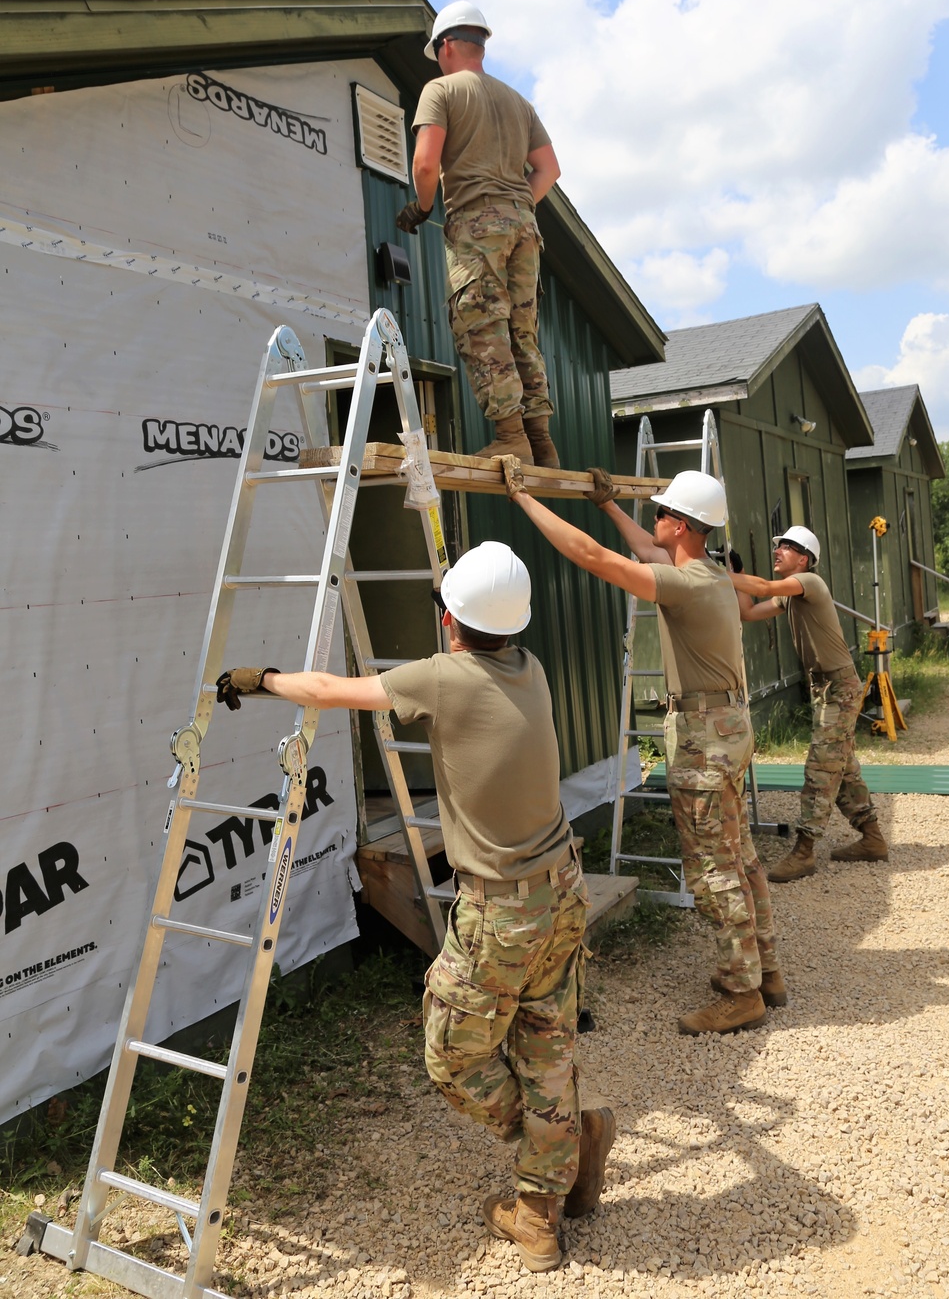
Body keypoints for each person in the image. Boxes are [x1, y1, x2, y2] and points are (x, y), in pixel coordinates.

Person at [216, 542, 615, 1273]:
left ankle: (551, 1158)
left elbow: (332, 691)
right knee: (545, 1045)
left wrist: (261, 677)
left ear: (448, 622)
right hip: (562, 890)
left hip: (504, 915)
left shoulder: (445, 677)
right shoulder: (532, 669)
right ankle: (543, 1200)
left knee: (452, 1055)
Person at [503, 461, 784, 1036]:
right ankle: (767, 972)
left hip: (706, 739)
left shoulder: (684, 583)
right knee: (742, 854)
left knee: (713, 867)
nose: (653, 519)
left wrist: (524, 500)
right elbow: (643, 547)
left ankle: (742, 991)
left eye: (661, 513)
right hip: (728, 727)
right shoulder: (707, 574)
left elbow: (594, 558)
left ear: (681, 525)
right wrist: (607, 504)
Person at [395, 1, 561, 468]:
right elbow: (549, 169)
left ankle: (510, 437)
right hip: (526, 226)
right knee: (521, 330)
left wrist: (423, 206)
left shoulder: (441, 90)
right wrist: (516, 203)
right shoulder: (517, 101)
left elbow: (426, 163)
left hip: (476, 225)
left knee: (483, 326)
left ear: (445, 46)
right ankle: (540, 441)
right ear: (480, 44)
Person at [730, 527, 889, 882]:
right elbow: (749, 612)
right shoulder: (791, 593)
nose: (777, 550)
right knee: (842, 766)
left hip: (839, 688)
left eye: (785, 547)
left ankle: (803, 853)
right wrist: (735, 573)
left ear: (804, 558)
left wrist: (718, 573)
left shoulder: (809, 582)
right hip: (825, 688)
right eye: (777, 546)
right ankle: (873, 839)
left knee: (820, 769)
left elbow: (764, 588)